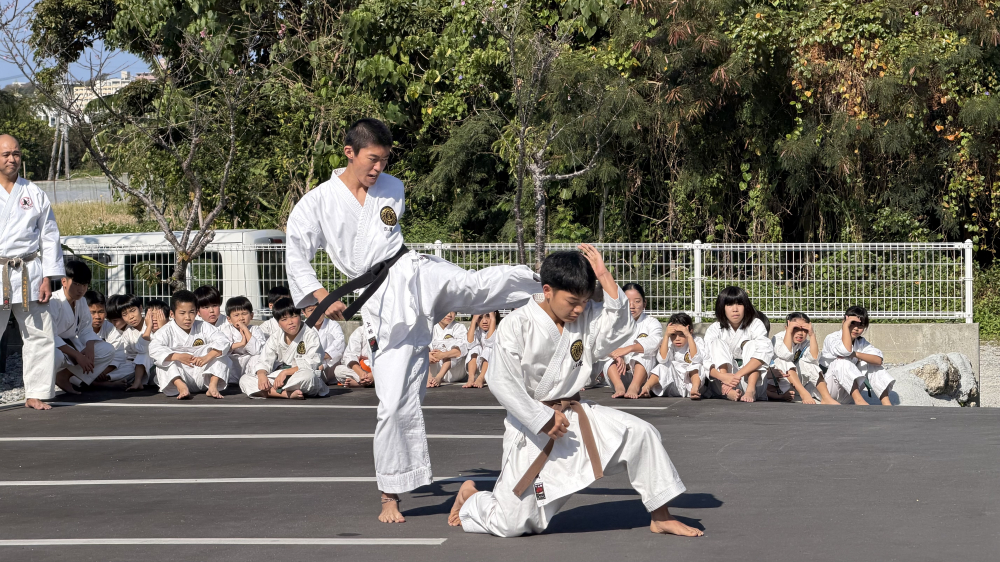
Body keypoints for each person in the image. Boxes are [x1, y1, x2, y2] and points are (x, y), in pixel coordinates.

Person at [285, 118, 539, 523]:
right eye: (372, 159)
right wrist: (318, 294)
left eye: (384, 160)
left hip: (413, 271)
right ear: (349, 152)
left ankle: (543, 284)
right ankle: (390, 493)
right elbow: (296, 252)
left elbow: (386, 245)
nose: (378, 168)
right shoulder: (316, 203)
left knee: (472, 287)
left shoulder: (392, 188)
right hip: (382, 306)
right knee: (393, 403)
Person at [449, 246, 702, 538]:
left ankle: (661, 516)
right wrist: (541, 418)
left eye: (584, 301)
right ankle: (471, 498)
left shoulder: (584, 317)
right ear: (547, 291)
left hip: (575, 415)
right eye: (572, 302)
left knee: (641, 433)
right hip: (533, 425)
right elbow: (502, 381)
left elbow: (617, 330)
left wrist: (604, 275)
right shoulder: (517, 324)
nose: (579, 309)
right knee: (511, 524)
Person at [0, 134, 64, 410]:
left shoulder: (34, 192)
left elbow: (49, 236)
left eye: (16, 154)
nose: (12, 159)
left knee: (39, 334)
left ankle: (36, 392)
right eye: (6, 154)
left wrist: (48, 276)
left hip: (29, 271)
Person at [148, 290, 232, 400]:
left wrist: (207, 357)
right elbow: (154, 349)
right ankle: (181, 387)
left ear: (196, 312)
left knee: (221, 354)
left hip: (203, 375)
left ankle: (213, 386)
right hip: (179, 376)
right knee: (162, 362)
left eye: (191, 312)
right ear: (172, 314)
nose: (187, 317)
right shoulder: (165, 331)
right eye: (182, 313)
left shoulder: (203, 326)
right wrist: (177, 356)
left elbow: (224, 341)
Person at [242, 297, 329, 399]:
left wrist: (286, 372)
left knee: (308, 376)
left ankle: (271, 392)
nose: (290, 322)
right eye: (284, 319)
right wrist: (262, 375)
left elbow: (312, 363)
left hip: (300, 375)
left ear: (300, 316)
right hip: (280, 378)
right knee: (245, 379)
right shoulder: (276, 337)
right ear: (279, 323)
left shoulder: (310, 334)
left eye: (294, 316)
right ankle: (286, 394)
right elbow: (264, 361)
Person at [51, 261, 117, 393]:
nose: (81, 289)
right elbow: (50, 335)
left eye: (85, 285)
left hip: (71, 343)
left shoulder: (81, 301)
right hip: (54, 345)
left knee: (107, 350)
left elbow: (86, 328)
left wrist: (90, 347)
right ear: (64, 281)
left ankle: (64, 376)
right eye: (76, 284)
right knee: (56, 356)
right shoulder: (53, 301)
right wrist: (77, 355)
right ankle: (46, 383)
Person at [703, 286, 773, 402]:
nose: (735, 309)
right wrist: (724, 378)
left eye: (740, 304)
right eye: (729, 304)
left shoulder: (756, 324)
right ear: (722, 307)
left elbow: (763, 353)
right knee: (716, 343)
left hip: (751, 382)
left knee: (752, 345)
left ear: (746, 306)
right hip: (722, 383)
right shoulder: (714, 328)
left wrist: (736, 376)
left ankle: (750, 390)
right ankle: (728, 391)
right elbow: (705, 359)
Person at [818, 306, 895, 406]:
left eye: (861, 325)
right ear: (844, 322)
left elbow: (878, 360)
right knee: (842, 361)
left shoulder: (861, 341)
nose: (856, 328)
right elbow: (846, 351)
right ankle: (859, 401)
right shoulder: (832, 338)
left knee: (870, 364)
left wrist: (856, 354)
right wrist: (846, 327)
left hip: (846, 394)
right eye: (852, 323)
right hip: (829, 390)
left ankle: (887, 404)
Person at [601, 283, 662, 399]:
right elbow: (602, 343)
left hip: (643, 377)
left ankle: (634, 387)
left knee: (644, 353)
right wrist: (615, 355)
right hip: (619, 373)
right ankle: (619, 387)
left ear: (644, 303)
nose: (632, 306)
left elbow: (656, 341)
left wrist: (629, 349)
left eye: (637, 301)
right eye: (627, 301)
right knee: (607, 356)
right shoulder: (613, 323)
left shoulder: (651, 322)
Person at [767, 312, 837, 404]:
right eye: (795, 329)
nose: (800, 333)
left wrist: (812, 335)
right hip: (777, 381)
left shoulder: (805, 343)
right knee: (785, 361)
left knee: (810, 364)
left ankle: (826, 397)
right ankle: (804, 394)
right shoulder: (778, 338)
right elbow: (785, 355)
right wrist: (789, 331)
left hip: (795, 383)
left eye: (804, 330)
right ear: (787, 327)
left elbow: (814, 358)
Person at [641, 313, 706, 399]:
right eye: (673, 334)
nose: (677, 338)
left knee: (697, 366)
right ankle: (646, 388)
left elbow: (697, 359)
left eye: (682, 334)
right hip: (672, 384)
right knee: (662, 366)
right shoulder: (668, 341)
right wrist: (666, 335)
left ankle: (695, 389)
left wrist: (688, 336)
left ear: (690, 331)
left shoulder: (697, 340)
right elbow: (662, 359)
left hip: (690, 384)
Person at [105, 293, 154, 392]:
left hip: (151, 364)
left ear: (140, 308)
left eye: (132, 311)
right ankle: (103, 380)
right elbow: (126, 355)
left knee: (142, 355)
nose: (130, 317)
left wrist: (149, 327)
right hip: (132, 364)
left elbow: (142, 349)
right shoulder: (127, 333)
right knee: (122, 368)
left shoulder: (152, 324)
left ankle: (135, 381)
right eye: (125, 314)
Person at [217, 296, 266, 383]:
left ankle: (252, 380)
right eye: (236, 315)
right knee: (222, 359)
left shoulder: (255, 329)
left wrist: (245, 329)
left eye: (244, 314)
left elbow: (257, 351)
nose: (241, 318)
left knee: (258, 357)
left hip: (249, 363)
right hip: (233, 363)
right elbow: (224, 348)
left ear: (251, 315)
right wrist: (241, 344)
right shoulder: (226, 330)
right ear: (229, 319)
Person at [303, 302, 347, 385]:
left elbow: (340, 343)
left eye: (318, 309)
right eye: (311, 310)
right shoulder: (302, 327)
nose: (316, 314)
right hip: (310, 364)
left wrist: (322, 358)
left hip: (331, 367)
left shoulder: (333, 324)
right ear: (304, 313)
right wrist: (315, 361)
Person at [463, 311, 498, 389]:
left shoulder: (499, 330)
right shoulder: (475, 330)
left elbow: (490, 342)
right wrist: (473, 321)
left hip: (491, 369)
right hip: (478, 368)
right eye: (480, 317)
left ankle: (481, 378)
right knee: (474, 348)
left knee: (489, 349)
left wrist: (493, 319)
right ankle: (471, 378)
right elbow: (469, 344)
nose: (484, 321)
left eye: (488, 316)